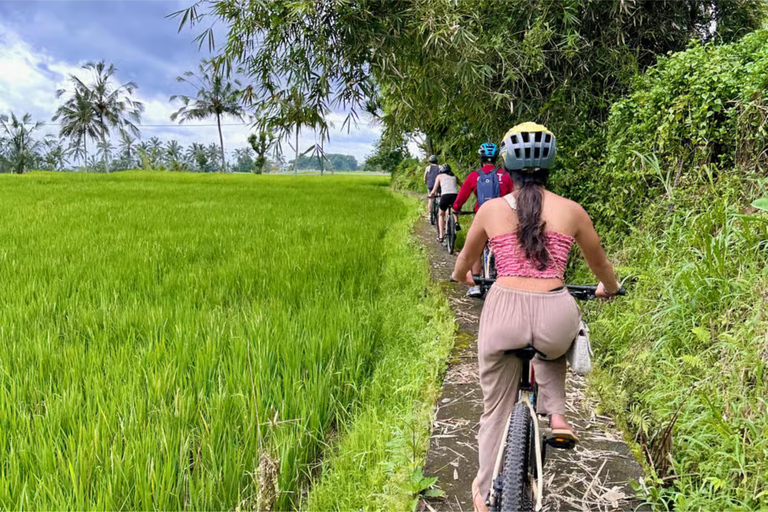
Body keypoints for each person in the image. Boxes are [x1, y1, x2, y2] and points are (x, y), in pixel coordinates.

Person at [450, 123, 621, 511]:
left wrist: (465, 276)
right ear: (549, 166)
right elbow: (602, 267)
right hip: (555, 314)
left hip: (502, 314)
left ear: (506, 166)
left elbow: (463, 263)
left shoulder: (491, 209)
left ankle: (481, 495)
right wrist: (608, 288)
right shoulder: (573, 211)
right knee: (555, 346)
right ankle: (557, 414)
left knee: (494, 409)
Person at [452, 143, 513, 297]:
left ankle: (476, 284)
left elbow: (461, 197)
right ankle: (503, 281)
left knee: (475, 248)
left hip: (483, 218)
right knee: (505, 248)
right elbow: (515, 196)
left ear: (481, 159)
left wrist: (456, 208)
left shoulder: (475, 176)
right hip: (503, 219)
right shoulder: (505, 176)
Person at [429, 164, 462, 242]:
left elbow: (434, 190)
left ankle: (441, 235)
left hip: (445, 196)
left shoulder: (440, 176)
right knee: (454, 210)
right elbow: (463, 186)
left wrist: (431, 195)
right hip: (455, 196)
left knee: (441, 214)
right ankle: (456, 222)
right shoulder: (454, 176)